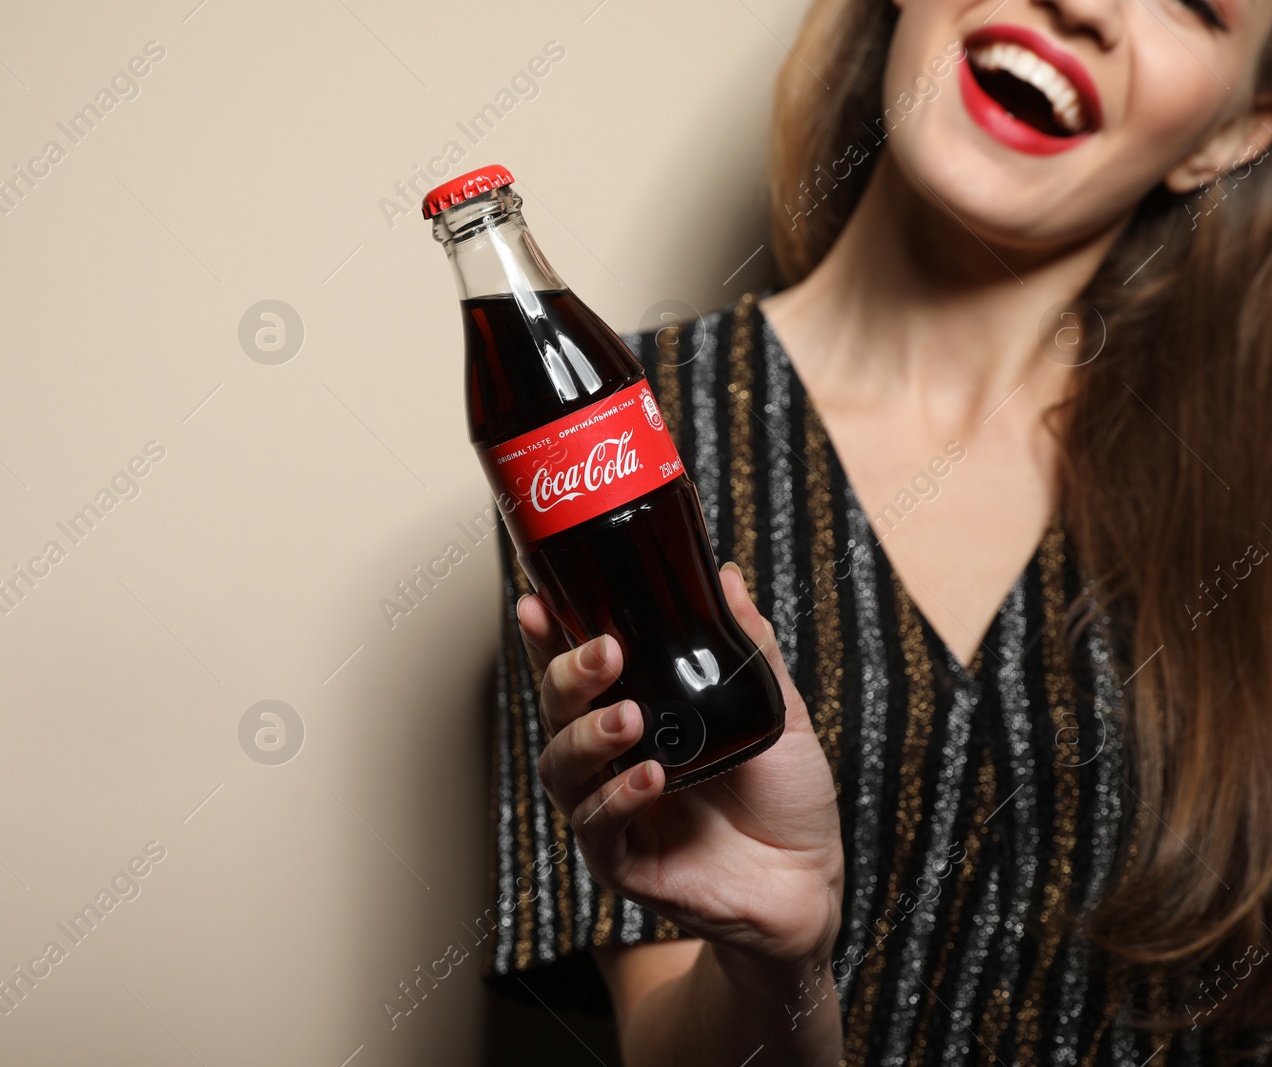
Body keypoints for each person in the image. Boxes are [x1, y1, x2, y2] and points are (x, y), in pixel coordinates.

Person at [483, 0, 1272, 1062]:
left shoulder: (1243, 489)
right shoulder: (605, 436)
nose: (1085, 4)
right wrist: (774, 957)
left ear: (1232, 133)